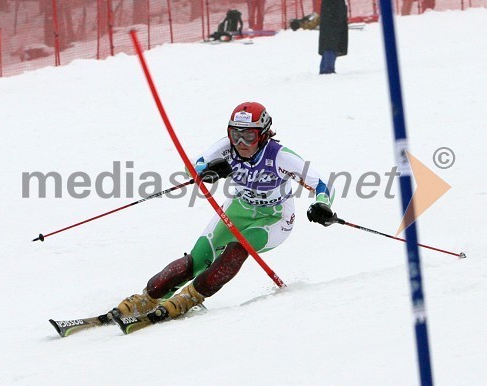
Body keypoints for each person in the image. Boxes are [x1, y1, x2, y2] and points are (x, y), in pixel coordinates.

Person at [113, 102, 336, 322]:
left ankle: (189, 299)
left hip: (274, 218)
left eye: (248, 136)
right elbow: (194, 165)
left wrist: (322, 205)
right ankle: (146, 299)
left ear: (264, 134)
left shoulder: (280, 156)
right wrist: (206, 171)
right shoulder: (226, 148)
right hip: (239, 208)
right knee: (197, 260)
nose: (240, 143)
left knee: (237, 250)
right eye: (234, 135)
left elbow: (322, 184)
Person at [318, 0, 348, 74]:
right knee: (331, 44)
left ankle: (325, 68)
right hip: (334, 14)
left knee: (329, 43)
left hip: (331, 14)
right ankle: (328, 69)